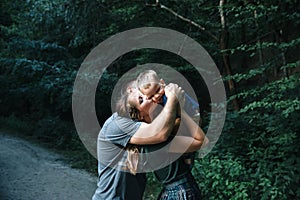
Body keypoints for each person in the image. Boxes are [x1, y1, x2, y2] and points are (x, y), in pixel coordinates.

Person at [92, 81, 186, 200]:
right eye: (141, 96)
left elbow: (182, 128)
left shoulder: (145, 121)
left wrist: (172, 98)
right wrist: (172, 98)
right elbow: (160, 134)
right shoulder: (117, 124)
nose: (148, 97)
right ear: (130, 91)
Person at [126, 85, 209, 200]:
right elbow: (201, 141)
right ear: (140, 115)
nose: (147, 98)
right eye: (141, 100)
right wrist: (179, 107)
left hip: (172, 191)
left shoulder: (149, 135)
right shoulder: (157, 139)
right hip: (181, 192)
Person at [136, 69, 201, 167]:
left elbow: (174, 113)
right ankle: (186, 155)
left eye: (157, 90)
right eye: (151, 96)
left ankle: (188, 155)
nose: (157, 96)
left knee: (184, 132)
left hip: (192, 114)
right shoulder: (159, 101)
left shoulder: (169, 93)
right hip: (183, 117)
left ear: (162, 82)